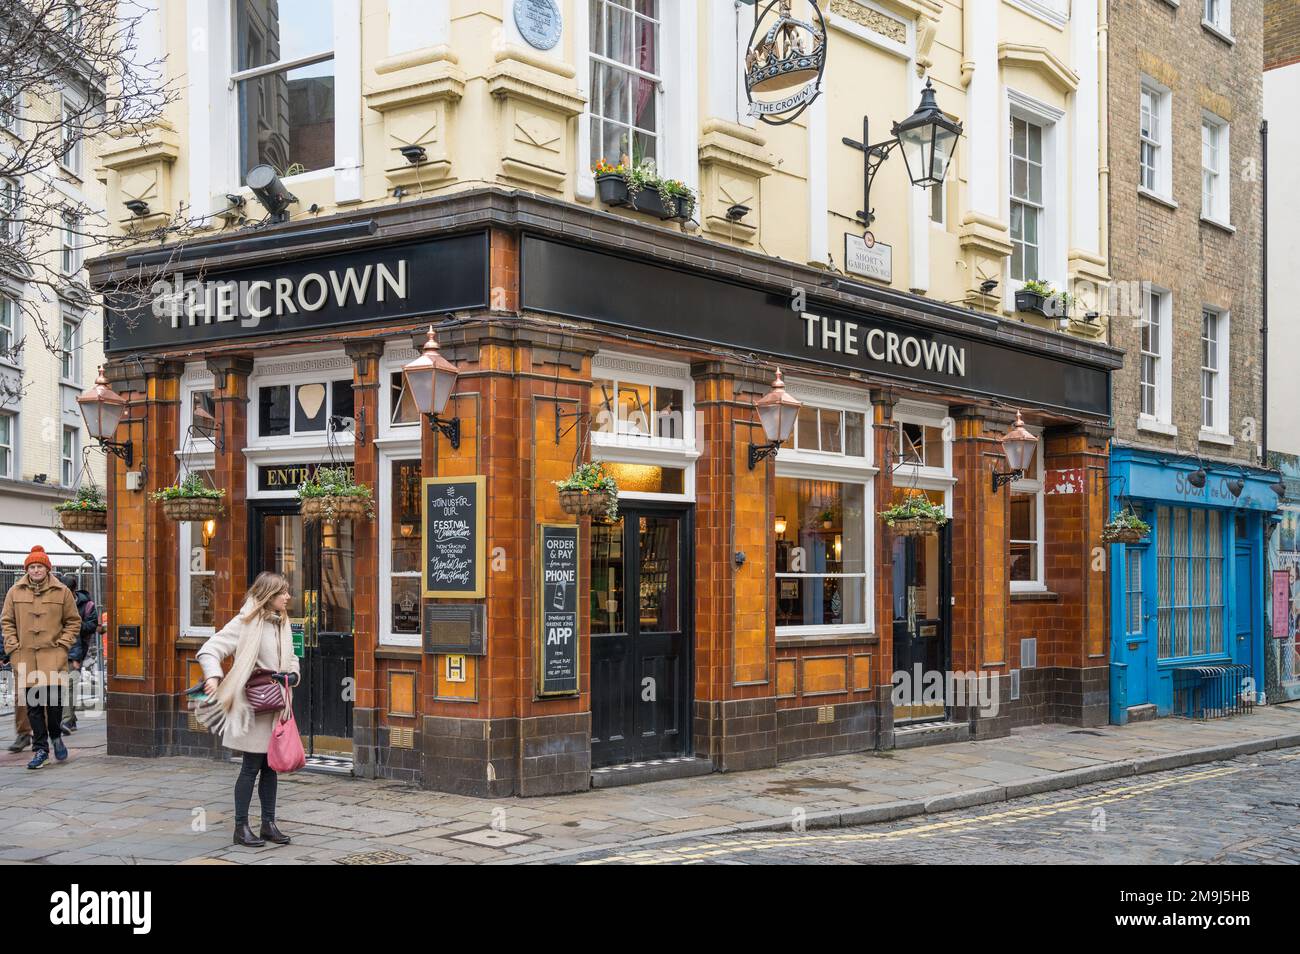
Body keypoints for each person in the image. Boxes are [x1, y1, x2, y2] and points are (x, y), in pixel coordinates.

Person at [196, 571, 300, 848]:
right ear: (268, 595)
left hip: (278, 704)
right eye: (282, 592)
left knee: (271, 767)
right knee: (251, 766)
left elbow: (291, 657)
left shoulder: (283, 622)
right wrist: (213, 676)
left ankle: (268, 824)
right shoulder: (246, 622)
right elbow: (210, 649)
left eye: (287, 591)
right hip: (253, 705)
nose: (288, 596)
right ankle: (241, 827)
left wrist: (293, 675)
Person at [0, 546, 80, 769]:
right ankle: (41, 750)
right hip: (24, 657)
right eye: (32, 566)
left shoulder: (61, 591)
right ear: (27, 569)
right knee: (33, 707)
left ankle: (56, 736)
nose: (35, 570)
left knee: (54, 704)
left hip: (53, 656)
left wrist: (63, 645)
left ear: (47, 569)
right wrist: (13, 648)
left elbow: (74, 621)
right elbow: (6, 622)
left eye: (39, 566)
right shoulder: (15, 592)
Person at [56, 573, 97, 734]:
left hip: (78, 649)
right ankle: (70, 719)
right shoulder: (57, 603)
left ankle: (66, 721)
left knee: (69, 684)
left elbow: (91, 626)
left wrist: (75, 625)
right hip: (58, 649)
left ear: (73, 591)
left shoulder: (87, 605)